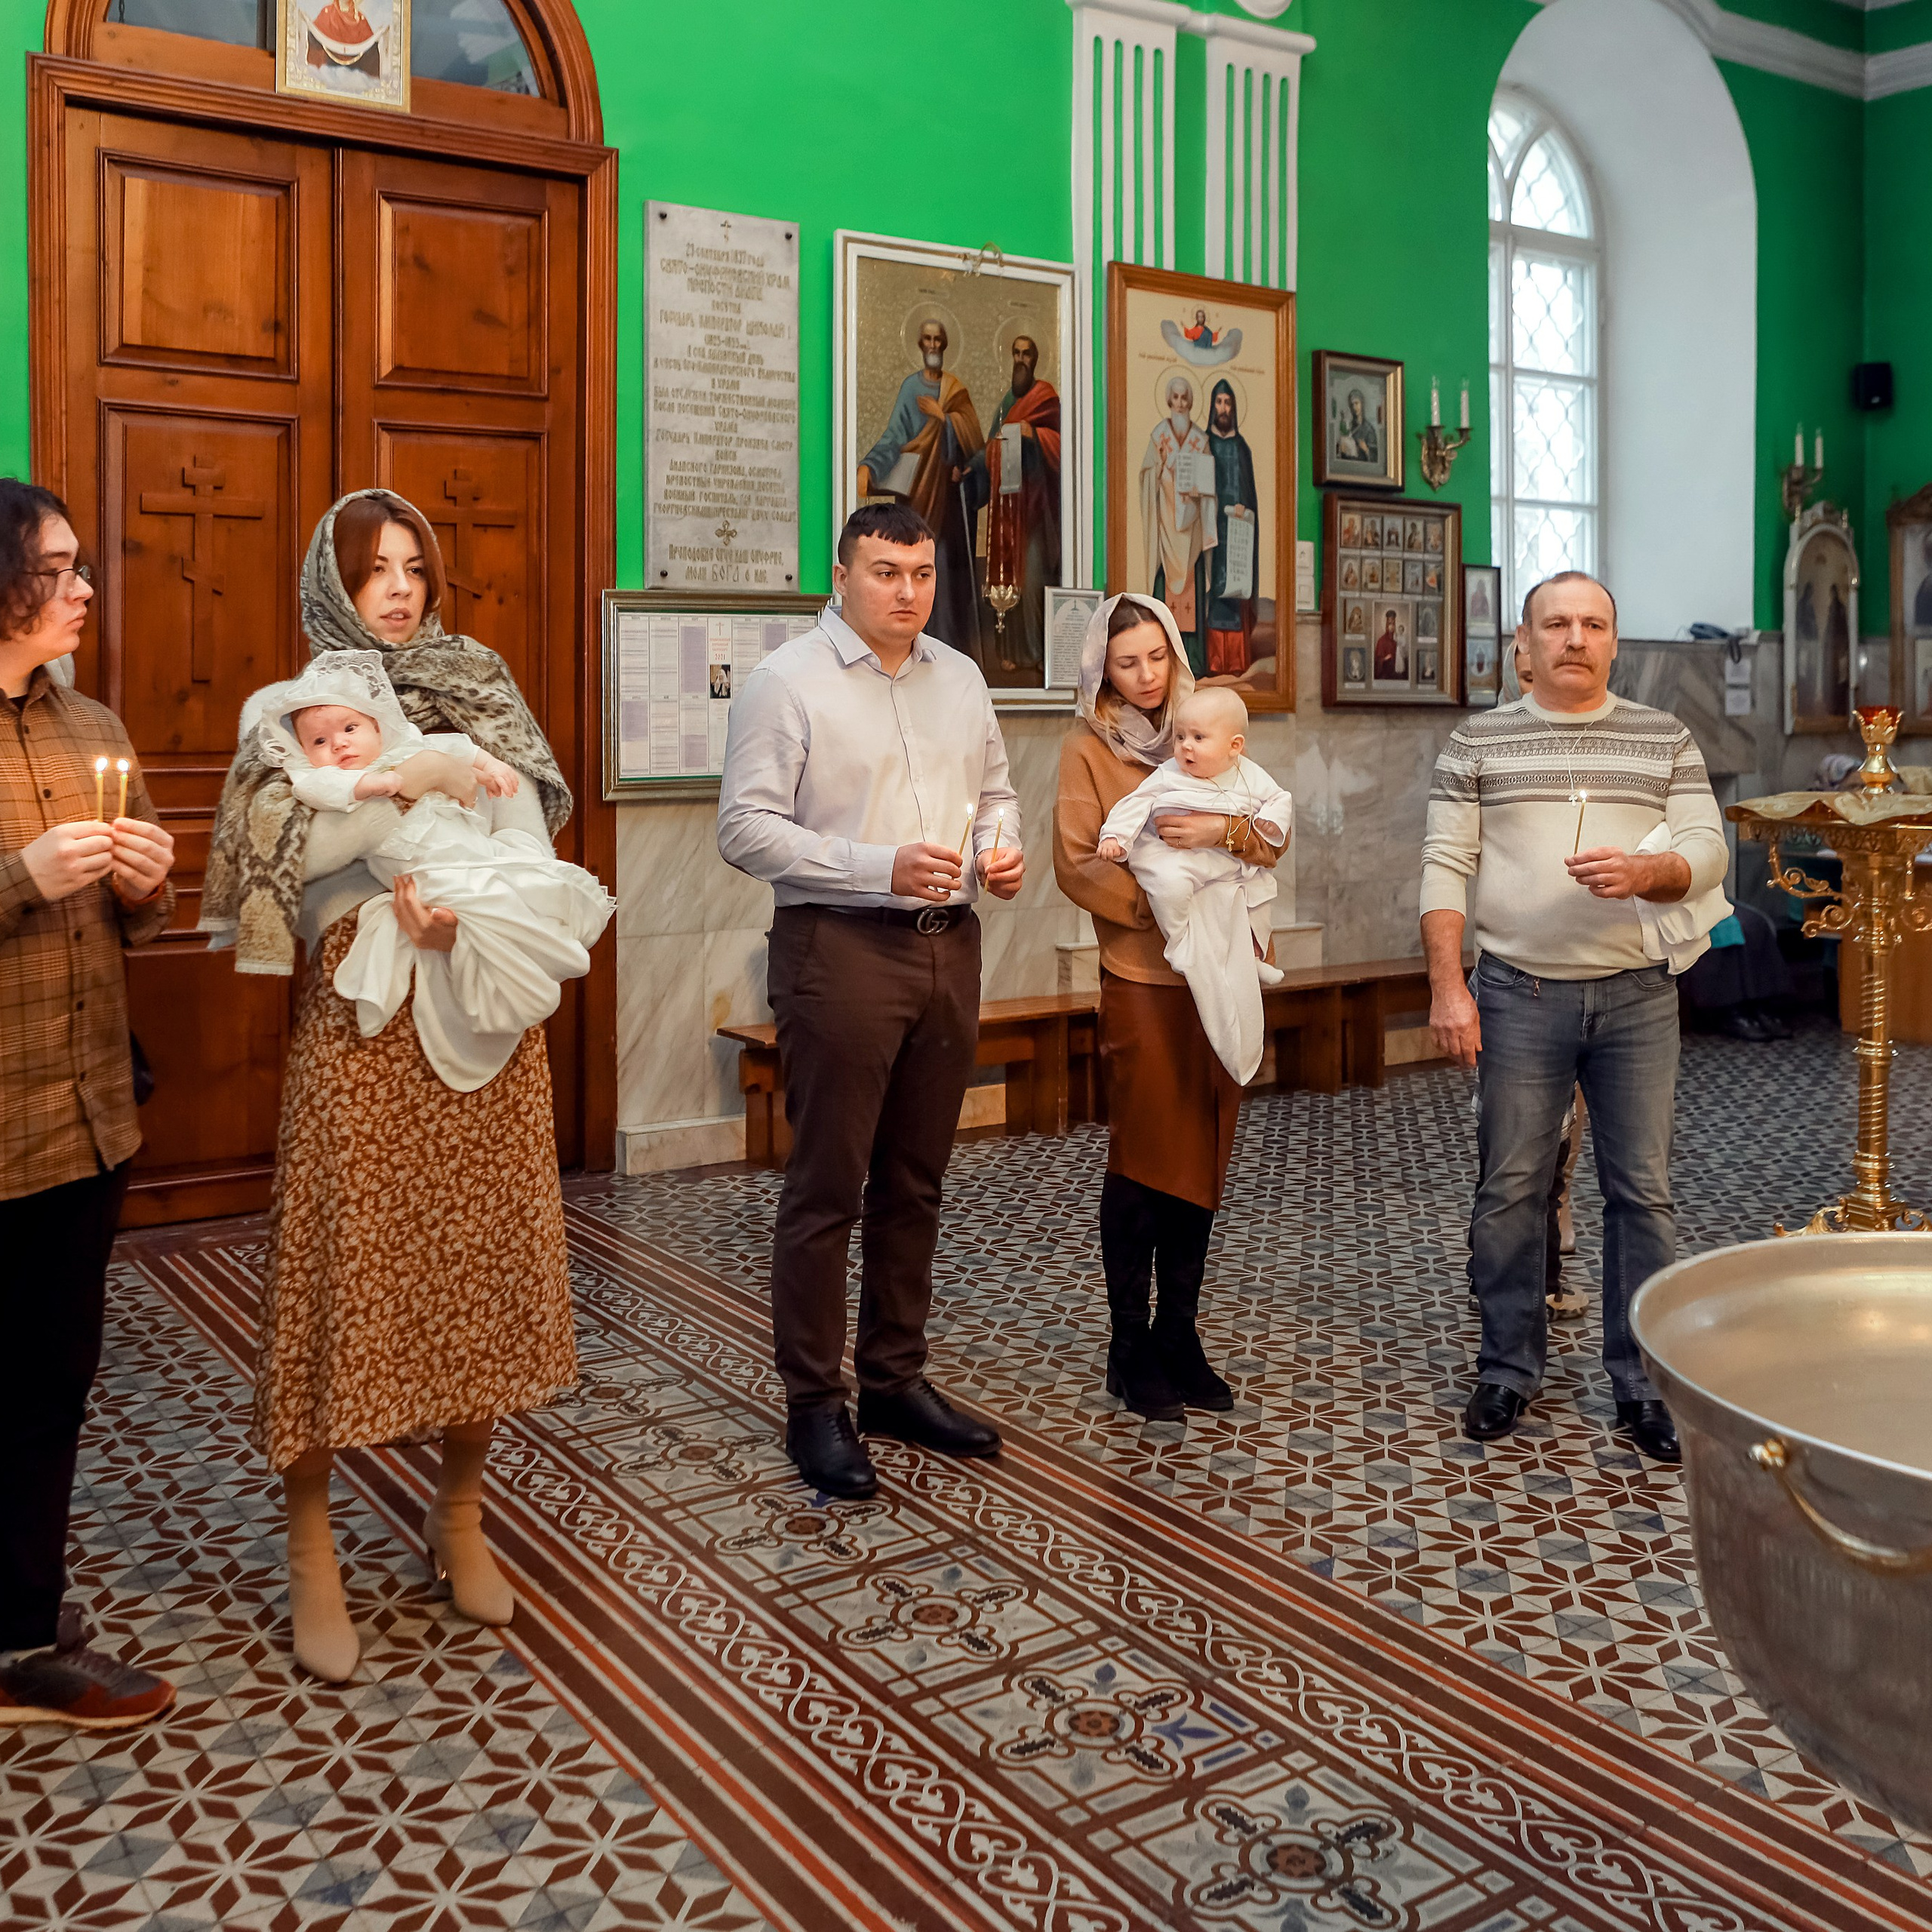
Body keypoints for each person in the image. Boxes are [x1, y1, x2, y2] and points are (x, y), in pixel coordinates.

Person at [202, 488, 580, 1682]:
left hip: (481, 1006)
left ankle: (458, 1511)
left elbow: (536, 834)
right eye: (374, 571)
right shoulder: (295, 713)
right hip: (360, 1034)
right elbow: (283, 855)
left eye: (414, 566)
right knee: (342, 1271)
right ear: (335, 586)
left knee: (484, 1270)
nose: (399, 591)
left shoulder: (480, 686)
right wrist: (407, 790)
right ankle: (313, 1547)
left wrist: (454, 858)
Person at [716, 502, 1025, 1500]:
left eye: (924, 574)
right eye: (887, 572)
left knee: (918, 1180)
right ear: (843, 573)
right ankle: (816, 1403)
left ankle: (894, 1380)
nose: (908, 592)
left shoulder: (963, 678)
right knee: (827, 1189)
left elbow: (1000, 791)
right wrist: (875, 865)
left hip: (949, 948)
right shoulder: (785, 682)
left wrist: (998, 852)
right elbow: (746, 830)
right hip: (838, 946)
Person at [1421, 570, 1729, 1463]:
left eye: (1593, 623)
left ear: (1614, 641)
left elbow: (1707, 849)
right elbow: (1444, 867)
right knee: (1510, 1188)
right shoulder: (1476, 741)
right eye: (1557, 623)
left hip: (1638, 996)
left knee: (1642, 1193)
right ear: (1525, 638)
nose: (1575, 638)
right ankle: (1508, 1367)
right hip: (1520, 992)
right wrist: (1450, 987)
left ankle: (1641, 1384)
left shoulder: (1662, 736)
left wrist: (1650, 874)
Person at [0, 479, 178, 1730]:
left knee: (50, 1380)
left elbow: (148, 905)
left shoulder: (90, 723)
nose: (82, 590)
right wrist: (18, 875)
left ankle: (21, 1626)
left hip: (85, 1114)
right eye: (56, 571)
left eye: (79, 568)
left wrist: (144, 881)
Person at [1054, 595, 1285, 1423]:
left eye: (1157, 656)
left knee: (1204, 1155)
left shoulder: (1209, 731)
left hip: (1221, 979)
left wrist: (1219, 840)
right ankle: (1129, 1346)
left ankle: (1179, 1335)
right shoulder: (1089, 749)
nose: (1146, 677)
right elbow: (1078, 863)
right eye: (1127, 663)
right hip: (1146, 979)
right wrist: (1168, 911)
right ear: (1102, 670)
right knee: (1147, 1157)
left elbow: (1266, 833)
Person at [254, 649, 614, 1092]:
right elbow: (288, 852)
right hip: (364, 979)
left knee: (523, 891)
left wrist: (483, 767)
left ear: (377, 723)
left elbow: (476, 761)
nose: (339, 745)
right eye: (321, 743)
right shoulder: (292, 726)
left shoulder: (457, 709)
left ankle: (544, 953)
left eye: (350, 729)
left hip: (472, 872)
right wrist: (404, 786)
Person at [1097, 687, 1291, 1083]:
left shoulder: (1247, 774)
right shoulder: (1168, 773)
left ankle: (1253, 958)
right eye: (1181, 736)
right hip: (1174, 856)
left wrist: (1262, 827)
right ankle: (1182, 942)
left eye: (1198, 739)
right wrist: (1115, 836)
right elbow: (1136, 802)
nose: (1185, 747)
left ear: (1234, 746)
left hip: (1223, 864)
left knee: (1255, 891)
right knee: (1168, 885)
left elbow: (1279, 802)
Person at [856, 318, 985, 660]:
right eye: (926, 339)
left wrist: (945, 419)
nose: (932, 346)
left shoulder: (955, 391)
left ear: (944, 345)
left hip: (952, 502)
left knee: (943, 571)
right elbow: (894, 438)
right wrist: (869, 466)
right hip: (917, 498)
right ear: (919, 344)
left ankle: (949, 651)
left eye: (938, 340)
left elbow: (976, 446)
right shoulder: (910, 390)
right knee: (911, 572)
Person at [967, 335, 1062, 678]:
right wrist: (974, 464)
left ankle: (1038, 652)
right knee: (1007, 575)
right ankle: (1008, 651)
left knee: (1033, 578)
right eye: (1016, 353)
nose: (1020, 360)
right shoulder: (1008, 401)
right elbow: (992, 442)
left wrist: (1032, 433)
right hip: (1007, 510)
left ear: (1035, 361)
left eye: (1027, 354)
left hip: (1036, 510)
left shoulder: (1046, 397)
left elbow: (1064, 447)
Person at [1140, 374, 1220, 672]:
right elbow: (1147, 474)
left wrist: (1200, 488)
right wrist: (1161, 474)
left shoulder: (1201, 439)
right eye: (1176, 397)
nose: (1181, 403)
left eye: (1185, 397)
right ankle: (1167, 663)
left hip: (1193, 533)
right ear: (1169, 401)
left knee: (1193, 594)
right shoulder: (1159, 435)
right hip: (1167, 528)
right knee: (1166, 595)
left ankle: (1194, 661)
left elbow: (1209, 482)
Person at [1204, 380, 1260, 676]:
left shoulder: (1241, 448)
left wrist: (1244, 508)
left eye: (1228, 403)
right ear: (1212, 406)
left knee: (1235, 593)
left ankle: (1236, 661)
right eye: (1219, 402)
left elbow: (1249, 493)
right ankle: (1214, 661)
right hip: (1212, 531)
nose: (1223, 409)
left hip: (1237, 532)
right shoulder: (1203, 443)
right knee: (1214, 591)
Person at [1335, 387, 1380, 466]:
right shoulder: (1349, 426)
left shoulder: (1369, 429)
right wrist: (1341, 449)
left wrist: (1366, 449)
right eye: (1352, 405)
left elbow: (1375, 458)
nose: (1354, 408)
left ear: (1362, 404)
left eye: (1357, 403)